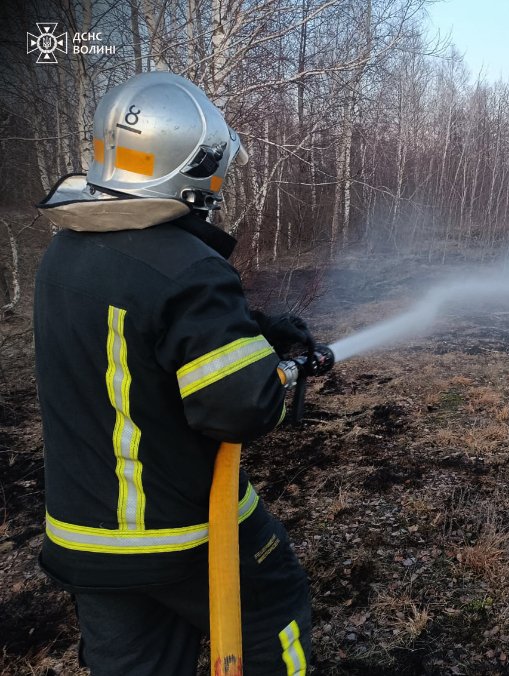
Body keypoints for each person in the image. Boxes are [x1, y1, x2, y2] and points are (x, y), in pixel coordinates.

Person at [33, 71, 313, 675]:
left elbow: (137, 336)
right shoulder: (187, 265)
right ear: (190, 169)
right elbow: (239, 406)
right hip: (179, 530)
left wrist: (251, 331)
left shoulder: (66, 251)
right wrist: (284, 371)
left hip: (84, 536)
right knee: (275, 607)